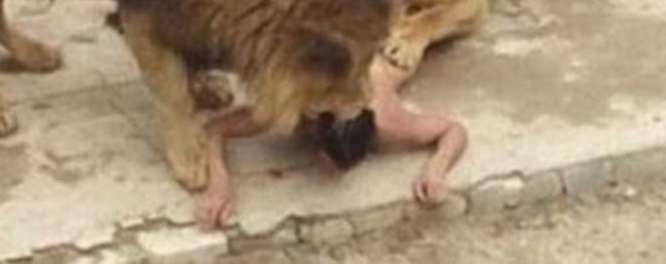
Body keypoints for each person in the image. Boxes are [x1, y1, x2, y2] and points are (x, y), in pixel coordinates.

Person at [194, 53, 467, 229]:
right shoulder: (296, 108)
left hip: (385, 60)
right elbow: (214, 129)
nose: (328, 172)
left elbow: (453, 130)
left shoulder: (389, 123)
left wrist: (436, 171)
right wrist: (219, 184)